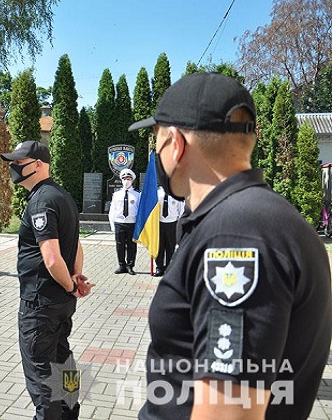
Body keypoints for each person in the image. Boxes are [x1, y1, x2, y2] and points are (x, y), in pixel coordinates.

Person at [128, 72, 332, 419]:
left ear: (176, 144)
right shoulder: (252, 217)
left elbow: (229, 411)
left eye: (156, 139)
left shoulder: (236, 235)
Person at [0, 140, 93, 420]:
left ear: (38, 165)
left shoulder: (41, 201)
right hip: (61, 302)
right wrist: (74, 280)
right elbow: (76, 246)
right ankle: (71, 413)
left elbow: (52, 258)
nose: (14, 168)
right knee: (63, 363)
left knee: (43, 380)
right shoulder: (62, 196)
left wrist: (70, 284)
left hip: (40, 304)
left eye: (19, 163)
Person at [108, 168, 140, 275]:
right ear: (121, 180)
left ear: (132, 180)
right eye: (124, 179)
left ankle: (130, 266)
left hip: (132, 223)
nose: (126, 181)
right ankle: (121, 265)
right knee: (120, 245)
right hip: (119, 223)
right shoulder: (117, 194)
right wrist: (112, 225)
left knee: (131, 246)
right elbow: (112, 210)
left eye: (128, 179)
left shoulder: (137, 194)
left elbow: (140, 210)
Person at [153, 186, 183, 277]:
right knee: (159, 247)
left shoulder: (177, 193)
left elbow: (181, 209)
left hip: (172, 223)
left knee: (170, 247)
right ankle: (159, 267)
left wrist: (179, 224)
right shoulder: (157, 193)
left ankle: (169, 267)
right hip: (159, 223)